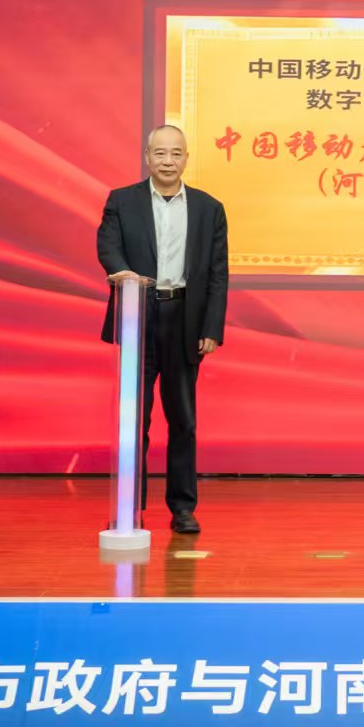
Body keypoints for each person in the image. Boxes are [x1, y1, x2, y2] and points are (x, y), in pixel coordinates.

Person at [97, 124, 229, 535]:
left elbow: (217, 274)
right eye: (160, 153)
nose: (168, 161)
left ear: (186, 158)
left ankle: (183, 508)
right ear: (147, 157)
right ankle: (129, 507)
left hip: (184, 319)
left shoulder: (209, 208)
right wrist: (121, 271)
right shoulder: (122, 201)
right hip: (138, 315)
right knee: (134, 419)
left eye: (175, 153)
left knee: (183, 419)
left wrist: (211, 327)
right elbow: (108, 245)